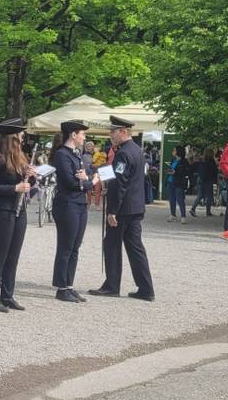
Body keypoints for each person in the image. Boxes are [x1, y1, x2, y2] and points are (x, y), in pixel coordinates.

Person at [89, 116, 155, 301]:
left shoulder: (123, 153)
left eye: (113, 132)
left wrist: (112, 211)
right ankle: (146, 288)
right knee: (135, 248)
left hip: (123, 209)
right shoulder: (136, 150)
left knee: (111, 244)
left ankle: (112, 285)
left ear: (123, 132)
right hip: (135, 207)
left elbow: (120, 184)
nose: (111, 135)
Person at [0, 119, 35, 312]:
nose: (23, 138)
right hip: (2, 210)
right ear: (13, 137)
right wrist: (14, 188)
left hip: (19, 211)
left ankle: (8, 295)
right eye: (20, 135)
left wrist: (31, 174)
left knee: (13, 255)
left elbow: (27, 181)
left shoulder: (20, 157)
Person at [51, 120, 97, 303]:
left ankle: (69, 285)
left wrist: (84, 180)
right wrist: (90, 182)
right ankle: (61, 288)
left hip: (79, 204)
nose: (84, 137)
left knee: (75, 247)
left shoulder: (76, 154)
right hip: (67, 204)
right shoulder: (62, 154)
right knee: (66, 246)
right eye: (82, 134)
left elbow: (80, 179)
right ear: (73, 135)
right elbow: (71, 182)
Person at [190, 148, 218, 217]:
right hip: (208, 180)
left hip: (200, 178)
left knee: (200, 195)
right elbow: (215, 171)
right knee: (209, 196)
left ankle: (193, 208)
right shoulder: (211, 161)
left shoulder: (202, 160)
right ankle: (208, 211)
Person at [166, 146, 190, 224]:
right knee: (172, 199)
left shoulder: (184, 161)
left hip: (179, 183)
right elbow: (171, 168)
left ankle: (183, 216)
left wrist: (175, 172)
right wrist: (169, 171)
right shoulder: (173, 160)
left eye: (174, 150)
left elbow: (185, 172)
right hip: (171, 181)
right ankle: (173, 215)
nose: (173, 151)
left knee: (180, 200)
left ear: (178, 152)